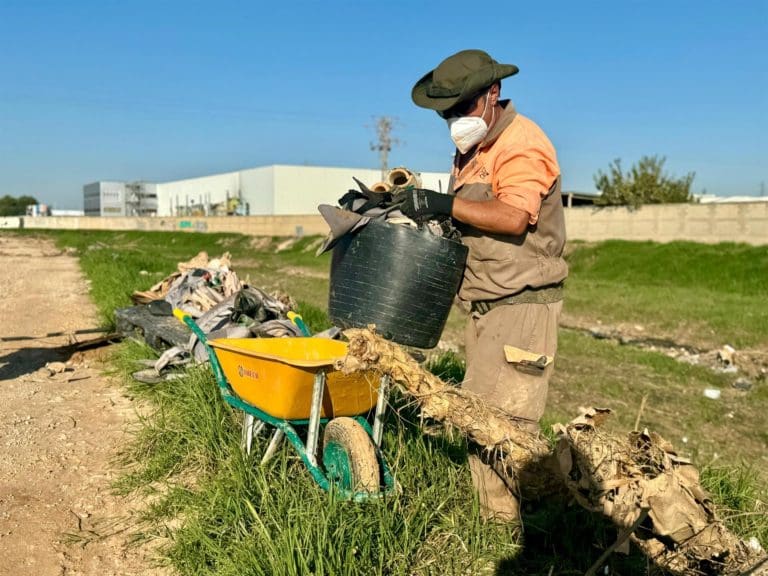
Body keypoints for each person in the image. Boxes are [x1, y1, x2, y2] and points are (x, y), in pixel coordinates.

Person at [399, 49, 568, 523]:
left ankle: (509, 533)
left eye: (463, 107)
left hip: (521, 305)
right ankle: (500, 520)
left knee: (503, 425)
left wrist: (443, 205)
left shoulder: (521, 142)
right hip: (486, 304)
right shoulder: (473, 151)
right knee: (482, 413)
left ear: (492, 93)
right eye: (447, 112)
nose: (455, 120)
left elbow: (514, 217)